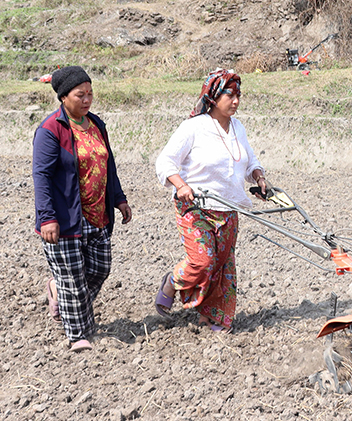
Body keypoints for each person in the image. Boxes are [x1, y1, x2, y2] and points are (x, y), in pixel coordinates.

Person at [154, 68, 268, 332]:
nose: (236, 100)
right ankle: (172, 281)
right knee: (202, 261)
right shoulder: (194, 127)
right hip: (195, 206)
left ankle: (210, 317)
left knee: (222, 264)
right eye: (230, 94)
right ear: (214, 96)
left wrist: (259, 177)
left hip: (228, 208)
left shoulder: (238, 127)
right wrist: (180, 185)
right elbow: (165, 162)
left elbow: (250, 162)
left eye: (239, 95)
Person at [33, 66, 133, 352]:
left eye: (90, 94)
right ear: (64, 97)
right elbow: (41, 176)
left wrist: (119, 198)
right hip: (65, 217)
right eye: (81, 95)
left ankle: (58, 292)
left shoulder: (97, 124)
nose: (87, 100)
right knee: (72, 278)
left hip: (97, 212)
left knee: (100, 269)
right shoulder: (50, 130)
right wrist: (47, 217)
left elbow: (107, 165)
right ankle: (78, 335)